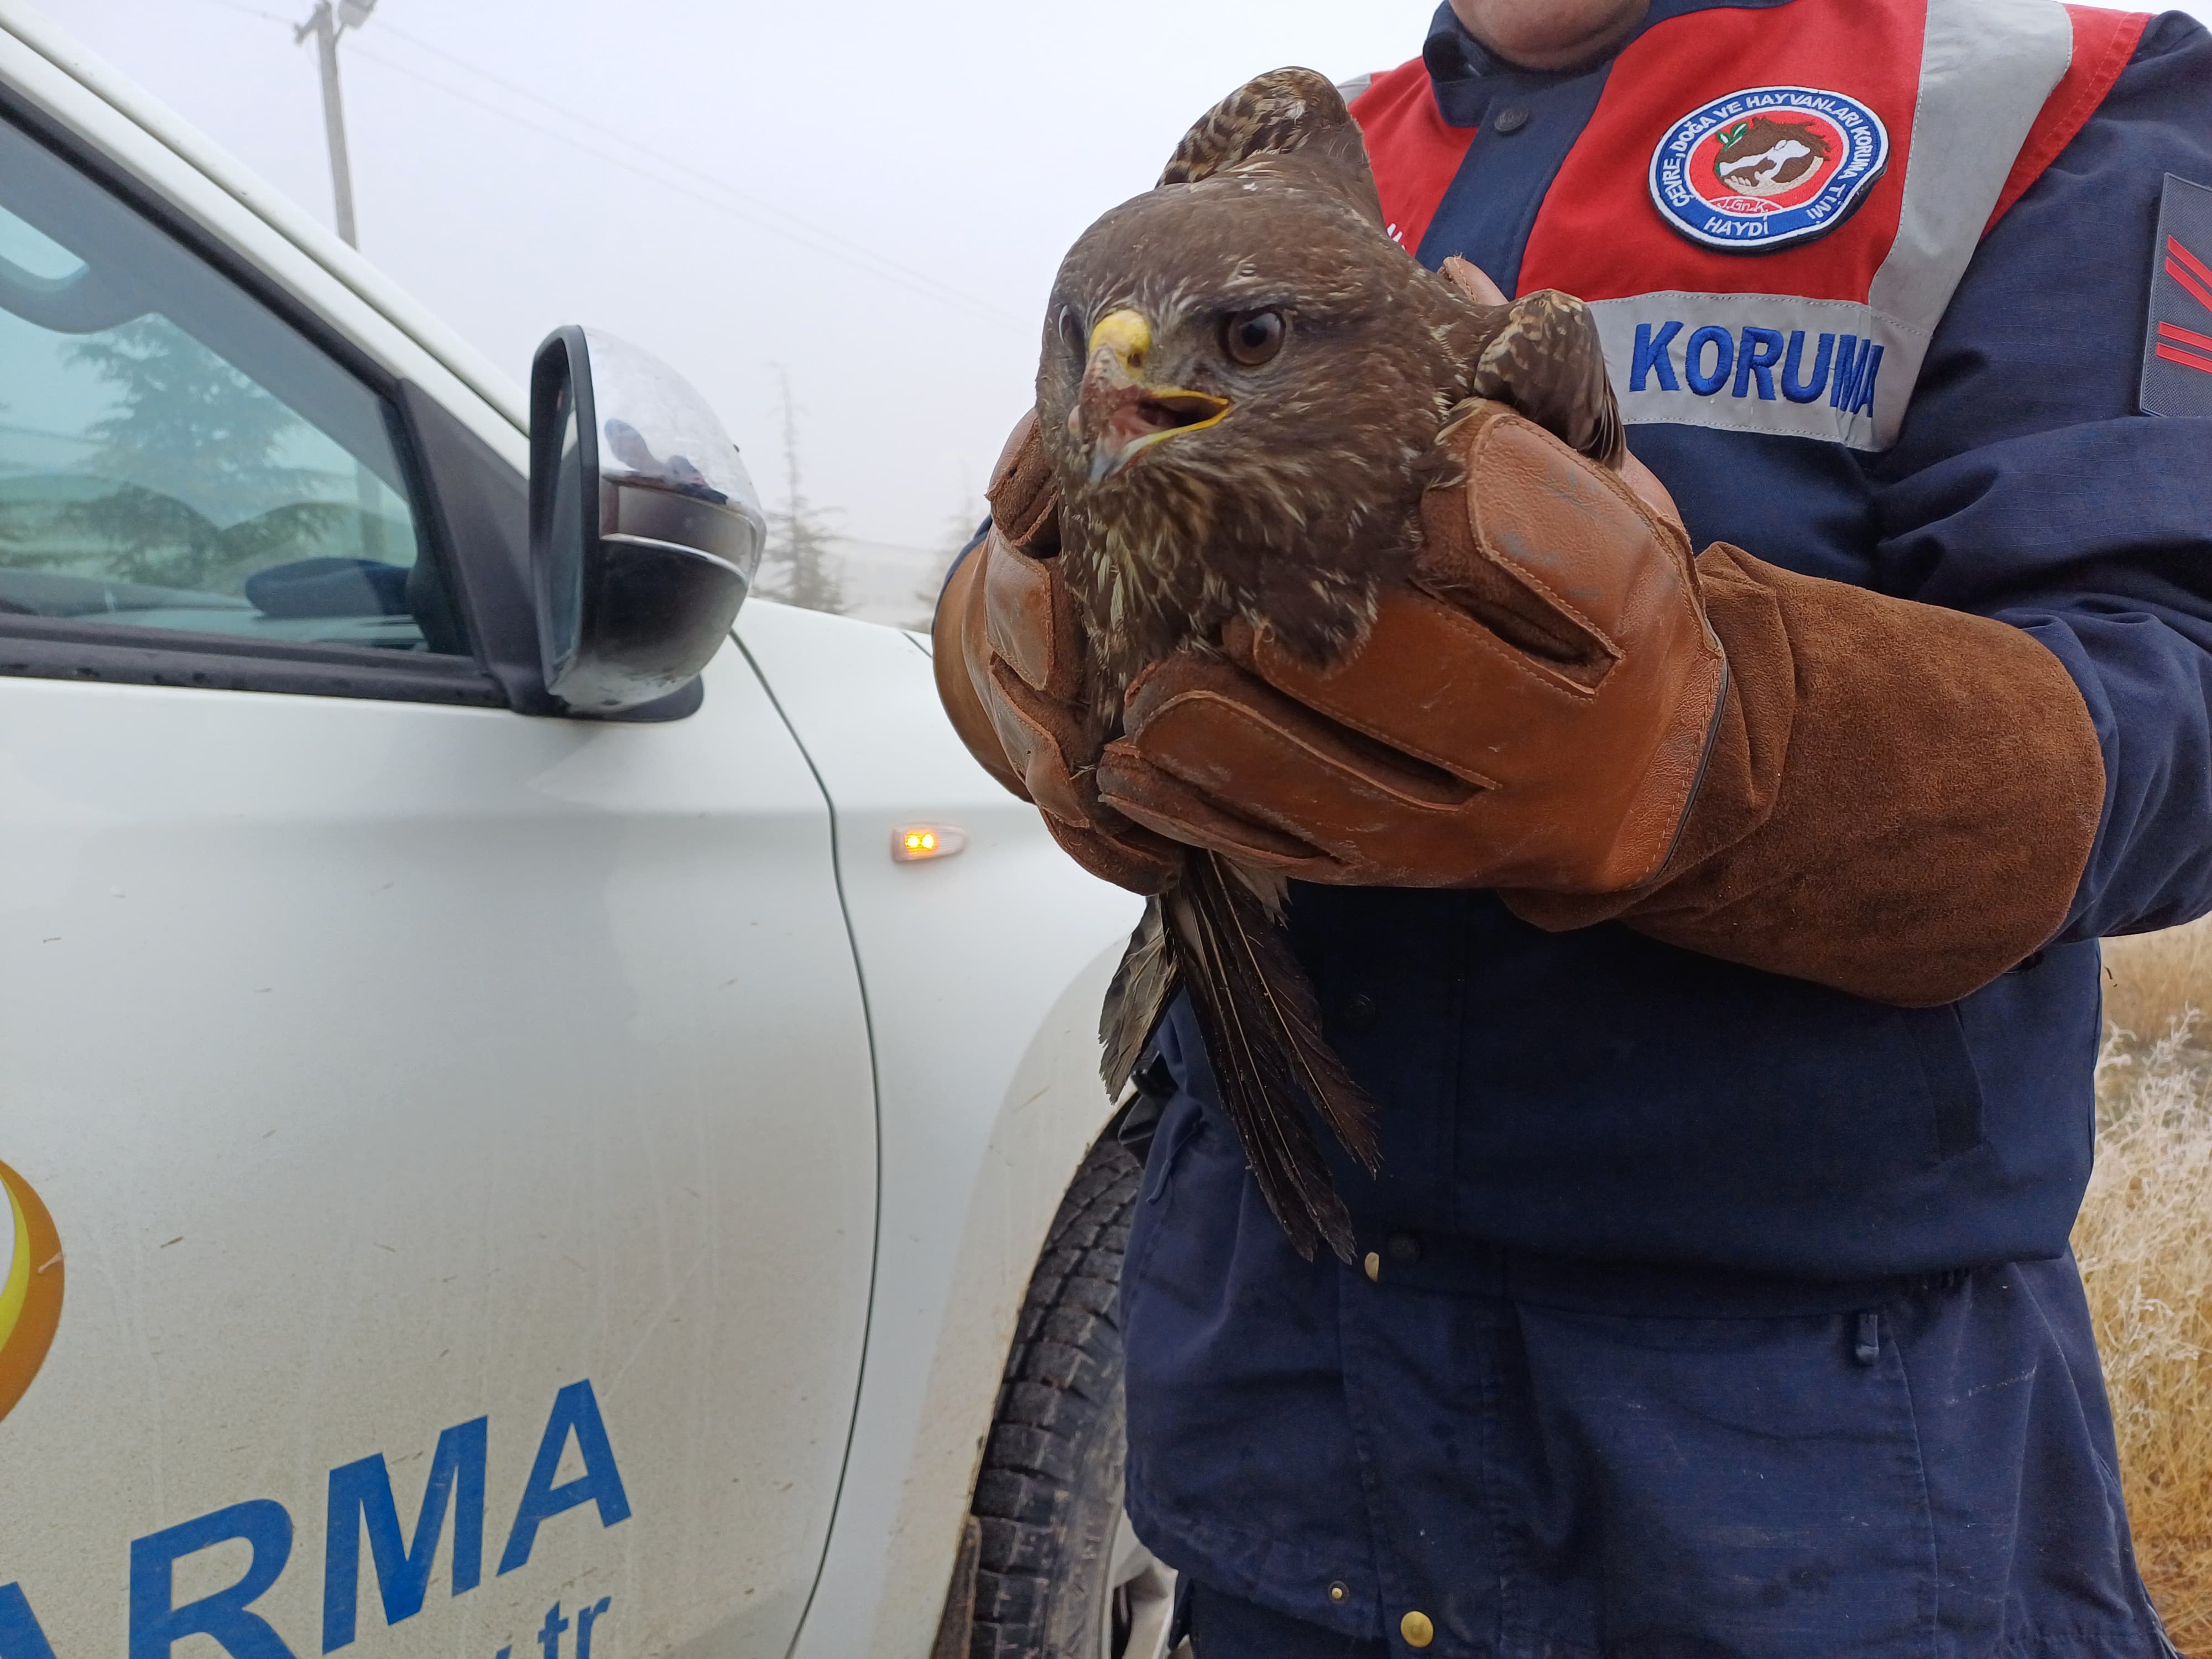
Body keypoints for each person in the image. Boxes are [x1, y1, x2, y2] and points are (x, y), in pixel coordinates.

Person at [933, 0, 2212, 1652]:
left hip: (1804, 1448)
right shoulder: (1287, 169)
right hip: (1285, 1382)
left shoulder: (2036, 97)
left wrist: (1727, 747)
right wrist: (1006, 644)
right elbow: (1047, 519)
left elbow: (2174, 712)